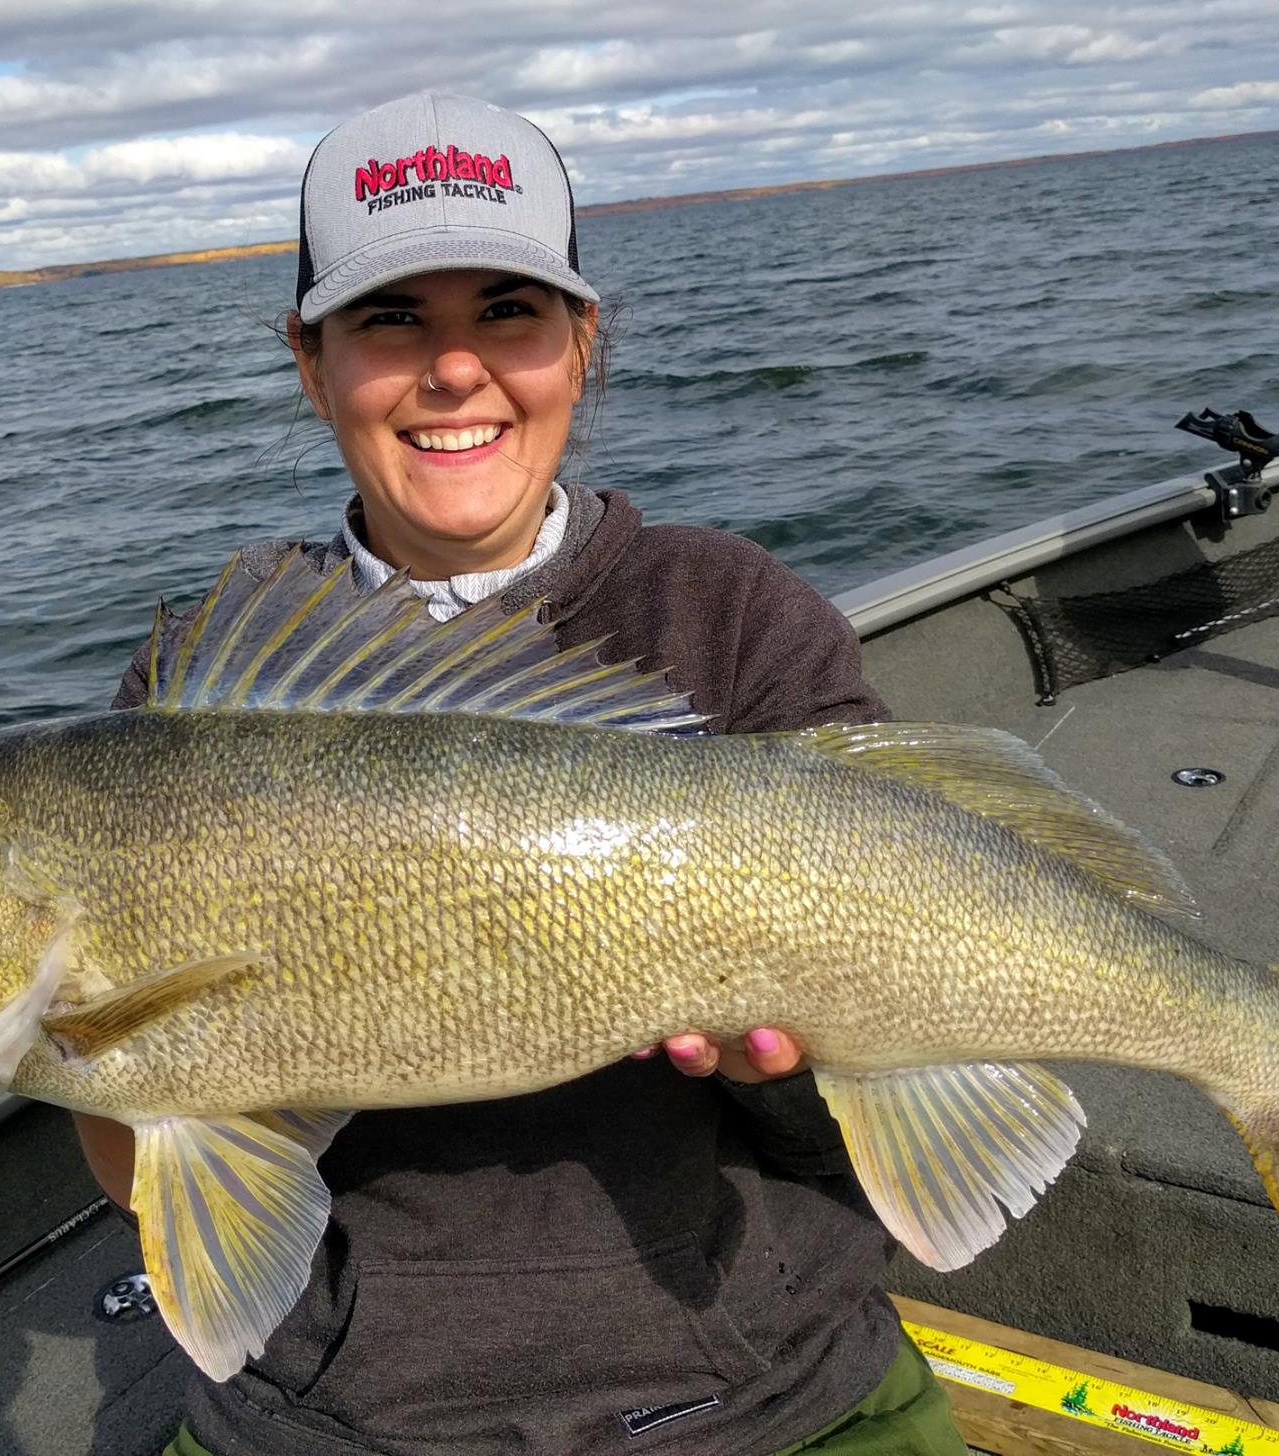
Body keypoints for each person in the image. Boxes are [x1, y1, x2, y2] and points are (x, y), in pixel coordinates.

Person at [74, 90, 969, 1456]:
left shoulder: (732, 617)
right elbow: (145, 1174)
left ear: (581, 346)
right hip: (339, 1418)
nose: (454, 370)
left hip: (764, 1394)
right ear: (309, 365)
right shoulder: (204, 679)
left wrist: (791, 1054)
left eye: (507, 311)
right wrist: (87, 1040)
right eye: (390, 322)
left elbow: (870, 1114)